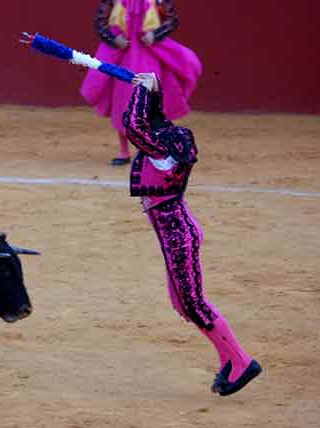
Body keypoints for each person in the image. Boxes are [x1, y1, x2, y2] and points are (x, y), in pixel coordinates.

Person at [124, 72, 261, 396]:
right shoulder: (168, 144)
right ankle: (228, 358)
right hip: (178, 232)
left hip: (178, 237)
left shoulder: (161, 151)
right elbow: (143, 121)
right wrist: (151, 88)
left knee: (194, 304)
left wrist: (142, 92)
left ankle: (242, 362)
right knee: (183, 304)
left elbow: (134, 126)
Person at [81, 0, 201, 166]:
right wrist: (114, 38)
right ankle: (124, 150)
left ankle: (149, 148)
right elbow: (99, 22)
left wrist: (155, 35)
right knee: (123, 101)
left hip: (150, 53)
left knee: (150, 100)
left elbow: (172, 20)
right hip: (124, 54)